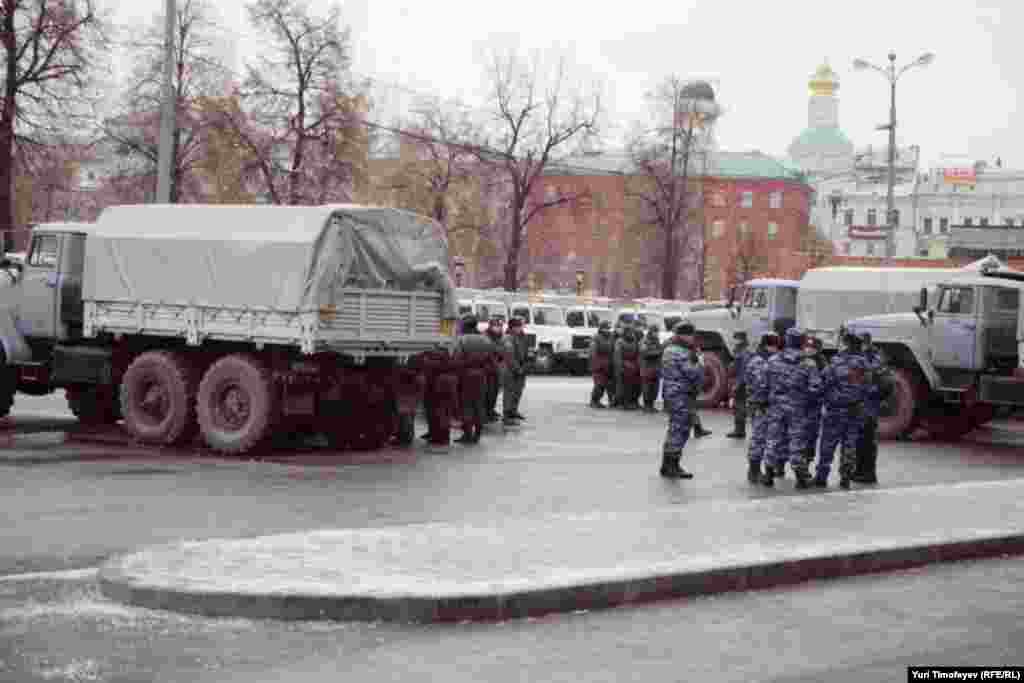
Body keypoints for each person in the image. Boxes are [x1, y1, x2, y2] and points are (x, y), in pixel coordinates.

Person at [763, 327, 823, 488]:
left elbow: (764, 384)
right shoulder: (809, 363)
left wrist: (770, 400)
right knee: (797, 441)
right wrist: (805, 401)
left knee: (773, 440)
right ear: (802, 342)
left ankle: (768, 475)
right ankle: (800, 478)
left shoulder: (773, 360)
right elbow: (816, 388)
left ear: (787, 341)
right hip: (797, 409)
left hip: (776, 407)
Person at [816, 329, 870, 488]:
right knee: (849, 444)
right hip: (855, 410)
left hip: (835, 410)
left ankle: (821, 477)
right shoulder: (865, 364)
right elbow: (868, 387)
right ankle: (846, 477)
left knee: (828, 444)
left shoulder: (836, 362)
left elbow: (824, 383)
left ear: (845, 344)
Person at [659, 321, 705, 479]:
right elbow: (693, 373)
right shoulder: (681, 352)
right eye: (692, 335)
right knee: (680, 430)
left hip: (673, 394)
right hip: (680, 395)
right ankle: (672, 466)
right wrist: (699, 361)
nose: (693, 339)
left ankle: (667, 465)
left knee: (675, 428)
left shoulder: (670, 349)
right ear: (685, 336)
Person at [854, 332, 892, 484]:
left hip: (868, 406)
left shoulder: (875, 360)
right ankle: (860, 472)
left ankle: (868, 474)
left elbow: (887, 384)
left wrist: (870, 393)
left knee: (867, 441)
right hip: (861, 406)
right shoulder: (865, 358)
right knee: (860, 441)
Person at [453, 315, 496, 444]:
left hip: (466, 376)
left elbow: (457, 359)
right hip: (482, 376)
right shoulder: (486, 340)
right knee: (479, 405)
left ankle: (467, 434)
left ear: (465, 326)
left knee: (466, 406)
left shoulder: (462, 340)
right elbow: (492, 361)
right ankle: (477, 434)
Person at [744, 332, 780, 483]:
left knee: (765, 438)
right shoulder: (760, 362)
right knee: (759, 438)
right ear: (769, 345)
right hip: (760, 405)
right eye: (774, 346)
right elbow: (760, 385)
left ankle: (758, 470)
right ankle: (754, 471)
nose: (776, 349)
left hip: (762, 404)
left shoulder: (762, 359)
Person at [801, 335, 828, 468]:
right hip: (799, 406)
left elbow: (824, 385)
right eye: (807, 346)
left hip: (813, 406)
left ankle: (806, 462)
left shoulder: (822, 364)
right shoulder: (799, 360)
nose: (808, 350)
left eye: (812, 348)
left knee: (811, 435)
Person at [502, 316, 530, 426]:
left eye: (521, 326)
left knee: (518, 391)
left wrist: (525, 366)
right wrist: (518, 369)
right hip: (511, 369)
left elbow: (525, 352)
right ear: (512, 327)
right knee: (509, 393)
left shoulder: (521, 336)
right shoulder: (508, 338)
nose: (521, 328)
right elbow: (509, 357)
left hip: (521, 368)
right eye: (518, 326)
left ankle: (513, 411)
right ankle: (507, 415)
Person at [726, 331, 751, 438]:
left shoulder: (743, 352)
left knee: (739, 406)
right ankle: (739, 429)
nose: (734, 340)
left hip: (741, 382)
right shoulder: (741, 350)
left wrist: (738, 384)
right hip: (740, 381)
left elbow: (743, 370)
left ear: (740, 339)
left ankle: (739, 430)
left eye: (735, 338)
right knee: (738, 406)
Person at [614, 324, 642, 410]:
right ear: (625, 332)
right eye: (629, 332)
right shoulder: (620, 341)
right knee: (623, 387)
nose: (631, 334)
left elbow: (638, 353)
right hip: (623, 366)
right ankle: (622, 403)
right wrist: (621, 366)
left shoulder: (634, 341)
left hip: (634, 366)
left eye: (632, 332)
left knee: (635, 386)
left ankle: (633, 401)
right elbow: (618, 356)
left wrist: (637, 364)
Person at [589, 321, 615, 408]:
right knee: (599, 384)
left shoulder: (611, 338)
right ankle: (594, 401)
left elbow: (613, 350)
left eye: (609, 328)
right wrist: (597, 365)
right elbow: (593, 353)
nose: (608, 330)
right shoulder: (596, 338)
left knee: (608, 386)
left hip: (608, 365)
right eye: (606, 328)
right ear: (601, 328)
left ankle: (609, 401)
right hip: (599, 366)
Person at [639, 324, 664, 413]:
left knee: (655, 389)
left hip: (656, 369)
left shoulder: (657, 341)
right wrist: (658, 352)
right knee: (647, 388)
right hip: (647, 369)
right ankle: (647, 406)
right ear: (651, 332)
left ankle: (651, 405)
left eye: (657, 332)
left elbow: (661, 351)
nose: (657, 334)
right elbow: (645, 353)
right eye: (655, 332)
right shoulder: (644, 341)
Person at [484, 317, 504, 422]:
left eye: (499, 326)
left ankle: (491, 410)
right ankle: (486, 412)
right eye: (496, 326)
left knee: (495, 391)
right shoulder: (486, 336)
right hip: (488, 369)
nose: (498, 328)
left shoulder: (500, 337)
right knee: (488, 392)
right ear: (491, 326)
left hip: (497, 368)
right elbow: (492, 350)